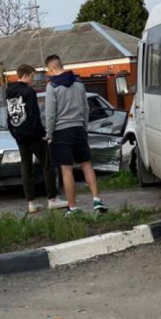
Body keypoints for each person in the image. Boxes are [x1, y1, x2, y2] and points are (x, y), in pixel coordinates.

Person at [44, 55, 108, 216]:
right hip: (79, 128)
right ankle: (97, 200)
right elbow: (86, 107)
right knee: (86, 164)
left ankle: (72, 207)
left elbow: (50, 114)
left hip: (61, 131)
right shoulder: (79, 83)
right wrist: (84, 126)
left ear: (51, 69)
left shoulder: (52, 87)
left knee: (67, 170)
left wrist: (49, 134)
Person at [6, 65, 66, 214]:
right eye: (32, 76)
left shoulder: (9, 92)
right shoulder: (29, 92)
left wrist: (14, 132)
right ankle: (52, 199)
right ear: (25, 75)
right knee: (48, 164)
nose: (33, 79)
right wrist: (42, 134)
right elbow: (34, 115)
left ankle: (31, 203)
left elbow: (10, 115)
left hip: (18, 134)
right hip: (33, 135)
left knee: (26, 168)